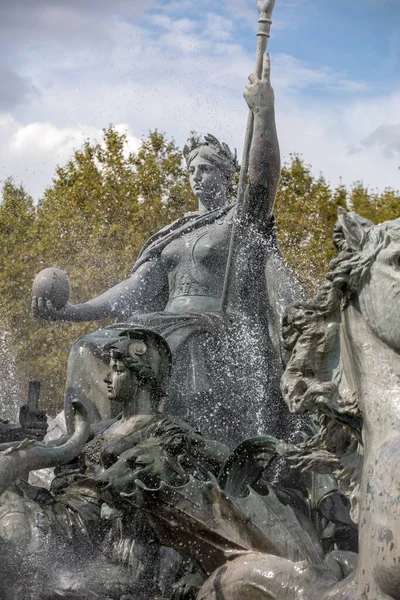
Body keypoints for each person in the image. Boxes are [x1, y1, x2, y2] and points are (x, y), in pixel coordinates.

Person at [32, 55, 300, 446]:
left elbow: (263, 178)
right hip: (163, 323)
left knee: (178, 346)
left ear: (228, 174)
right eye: (191, 169)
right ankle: (83, 443)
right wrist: (73, 313)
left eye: (205, 168)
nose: (195, 176)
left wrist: (264, 113)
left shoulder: (240, 222)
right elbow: (134, 290)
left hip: (212, 327)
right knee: (88, 348)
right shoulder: (173, 233)